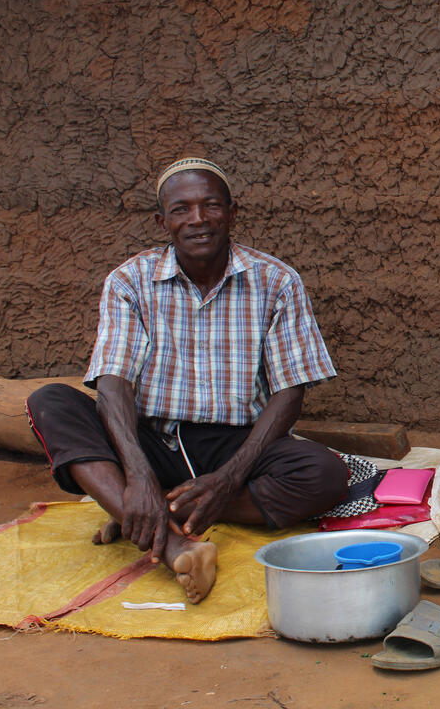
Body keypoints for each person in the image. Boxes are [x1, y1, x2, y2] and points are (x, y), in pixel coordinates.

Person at [26, 157, 348, 604]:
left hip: (234, 445)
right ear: (163, 222)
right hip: (149, 442)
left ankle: (138, 511)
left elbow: (289, 393)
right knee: (52, 402)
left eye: (210, 206)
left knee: (325, 475)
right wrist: (137, 473)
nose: (197, 220)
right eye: (181, 209)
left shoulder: (277, 281)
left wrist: (230, 478)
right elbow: (113, 382)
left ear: (231, 214)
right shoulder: (129, 281)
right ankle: (176, 543)